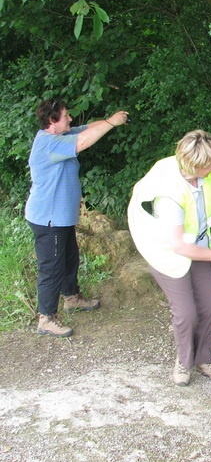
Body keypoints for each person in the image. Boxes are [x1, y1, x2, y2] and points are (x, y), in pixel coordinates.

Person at [127, 130, 211, 386]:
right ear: (196, 165)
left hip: (197, 245)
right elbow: (179, 245)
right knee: (187, 313)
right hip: (167, 251)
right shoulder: (170, 195)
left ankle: (204, 359)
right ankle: (184, 360)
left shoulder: (208, 174)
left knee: (210, 308)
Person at [25, 97, 129, 338]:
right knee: (51, 267)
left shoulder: (60, 136)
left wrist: (109, 120)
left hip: (61, 218)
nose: (70, 118)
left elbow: (86, 130)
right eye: (66, 115)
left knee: (70, 258)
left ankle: (71, 298)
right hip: (47, 219)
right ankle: (46, 318)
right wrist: (111, 122)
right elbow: (82, 141)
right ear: (52, 121)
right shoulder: (48, 144)